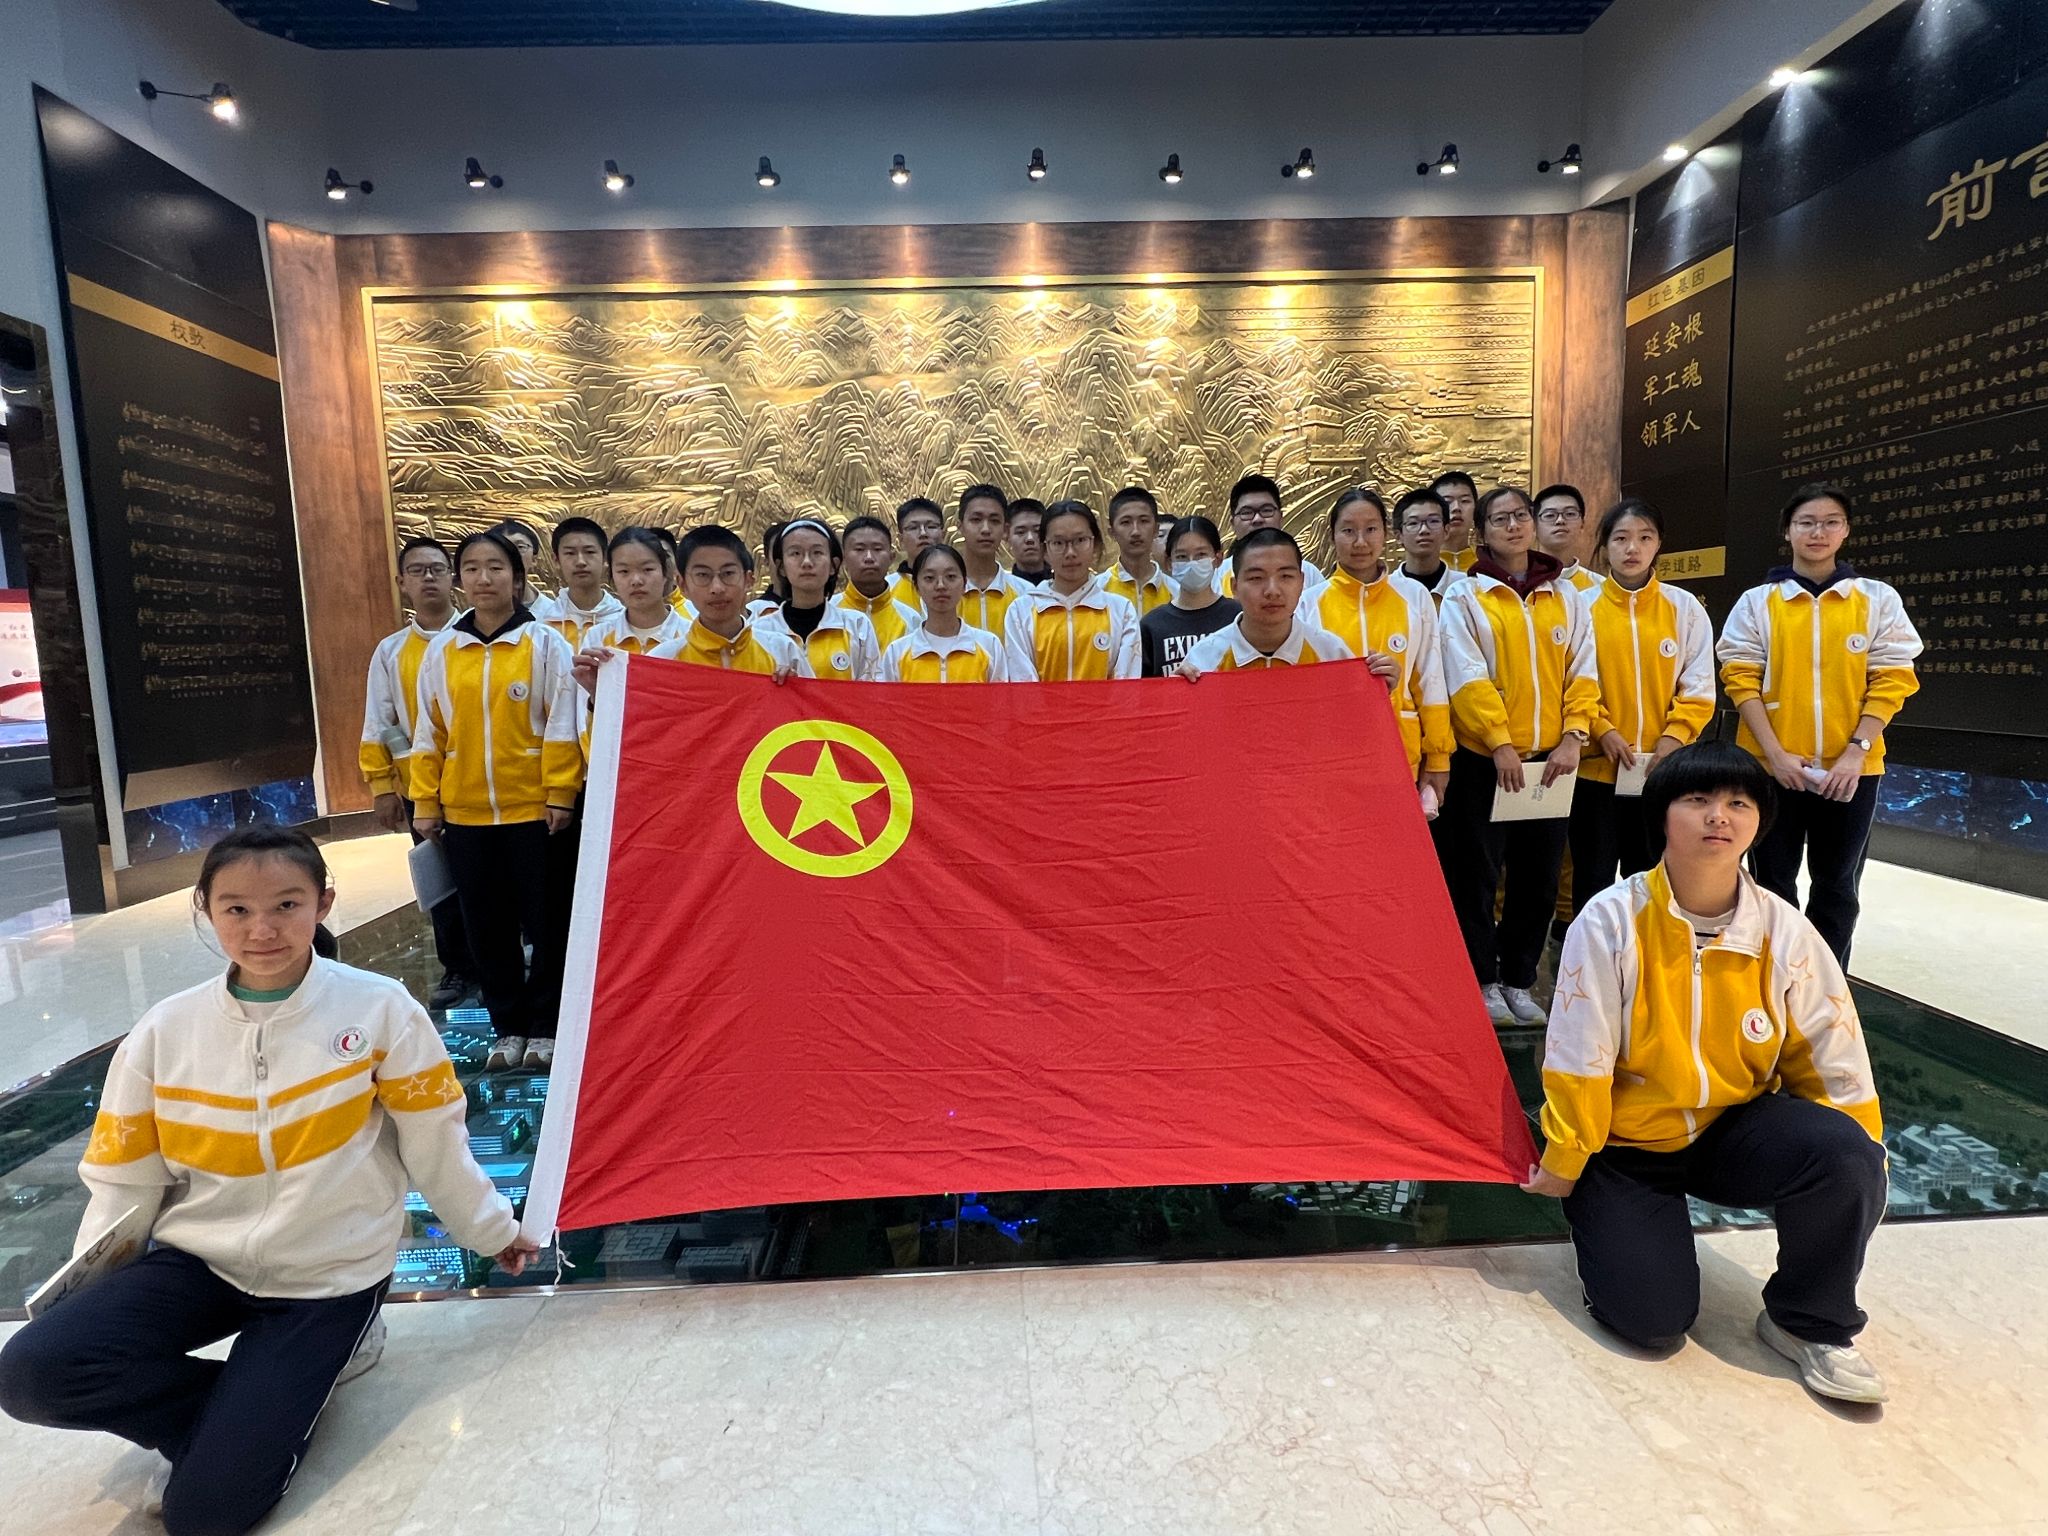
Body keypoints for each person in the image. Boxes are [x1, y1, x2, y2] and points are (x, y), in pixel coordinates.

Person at [0, 828, 542, 1535]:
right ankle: (237, 1415)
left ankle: (278, 1400)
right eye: (237, 909)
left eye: (287, 905)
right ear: (205, 909)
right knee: (32, 1372)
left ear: (323, 903)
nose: (262, 930)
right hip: (200, 1263)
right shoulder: (166, 1030)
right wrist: (86, 1297)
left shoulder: (381, 1011)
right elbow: (122, 1179)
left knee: (205, 1516)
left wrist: (491, 1230)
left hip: (328, 1279)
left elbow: (435, 1144)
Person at [1520, 742, 1888, 1403]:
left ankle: (1808, 1322)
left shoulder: (1785, 931)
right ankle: (1611, 1226)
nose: (1719, 816)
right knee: (1651, 1322)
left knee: (1844, 1150)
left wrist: (1861, 1163)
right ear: (1662, 815)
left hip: (1732, 1130)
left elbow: (1833, 1058)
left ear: (1758, 823)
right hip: (1628, 1146)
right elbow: (1580, 1055)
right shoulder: (1610, 921)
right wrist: (1567, 1158)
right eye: (1697, 800)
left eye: (1738, 803)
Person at [1717, 482, 1921, 967]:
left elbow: (1893, 677)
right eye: (1806, 522)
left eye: (1831, 522)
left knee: (1837, 885)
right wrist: (1774, 756)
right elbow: (1740, 679)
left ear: (1845, 531)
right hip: (1773, 769)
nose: (1818, 532)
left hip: (1852, 770)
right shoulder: (1758, 602)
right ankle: (1774, 980)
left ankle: (1827, 988)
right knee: (1771, 881)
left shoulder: (1876, 599)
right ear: (1787, 531)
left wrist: (1856, 751)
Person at [410, 529, 584, 1072]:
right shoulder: (443, 650)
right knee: (486, 926)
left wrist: (560, 793)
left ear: (517, 576)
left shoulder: (546, 645)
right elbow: (429, 732)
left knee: (548, 923)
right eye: (472, 569)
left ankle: (547, 1025)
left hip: (535, 811)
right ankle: (507, 1026)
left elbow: (563, 723)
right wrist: (426, 802)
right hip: (465, 814)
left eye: (496, 568)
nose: (483, 579)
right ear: (459, 579)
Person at [1438, 485, 1599, 1026]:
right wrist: (1500, 743)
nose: (1513, 525)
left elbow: (1583, 670)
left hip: (1551, 761)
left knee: (1539, 876)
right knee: (1478, 875)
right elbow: (1466, 677)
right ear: (1482, 531)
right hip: (1484, 762)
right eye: (1500, 518)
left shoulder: (1566, 598)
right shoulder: (1466, 597)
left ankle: (1519, 980)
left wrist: (1574, 736)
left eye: (1521, 516)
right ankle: (1483, 981)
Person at [1568, 498, 1715, 916]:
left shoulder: (1684, 608)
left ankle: (1651, 949)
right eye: (1621, 538)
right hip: (1597, 771)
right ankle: (1593, 953)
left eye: (1644, 538)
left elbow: (1699, 684)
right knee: (1592, 877)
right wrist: (1603, 730)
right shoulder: (1581, 607)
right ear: (1604, 546)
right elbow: (1571, 680)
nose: (1632, 548)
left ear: (1658, 544)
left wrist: (1674, 738)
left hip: (1662, 772)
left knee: (1654, 874)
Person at [359, 536, 473, 1011]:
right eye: (417, 571)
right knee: (440, 882)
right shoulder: (391, 652)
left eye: (437, 569)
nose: (429, 578)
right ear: (402, 582)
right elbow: (380, 722)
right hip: (421, 789)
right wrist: (383, 786)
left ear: (453, 579)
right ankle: (457, 966)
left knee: (490, 880)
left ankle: (502, 960)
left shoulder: (477, 639)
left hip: (481, 784)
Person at [1301, 488, 1452, 809]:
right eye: (1348, 531)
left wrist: (1439, 757)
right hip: (1332, 760)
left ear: (1386, 533)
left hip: (1401, 754)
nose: (1360, 542)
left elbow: (1431, 679)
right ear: (1332, 536)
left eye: (1370, 529)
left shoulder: (1414, 596)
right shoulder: (1308, 604)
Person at [1179, 528, 1362, 675]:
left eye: (1285, 576)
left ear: (1301, 582)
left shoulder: (1332, 654)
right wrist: (1176, 692)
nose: (1272, 591)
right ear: (1235, 587)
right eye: (1256, 578)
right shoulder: (1204, 660)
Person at [1002, 500, 1141, 681]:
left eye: (1080, 540)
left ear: (1096, 545)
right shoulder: (1021, 612)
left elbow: (1126, 684)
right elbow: (1024, 684)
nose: (1070, 553)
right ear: (1045, 550)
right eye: (1058, 543)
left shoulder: (1121, 611)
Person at [754, 518, 884, 680]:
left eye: (817, 553)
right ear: (781, 567)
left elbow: (871, 691)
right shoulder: (760, 630)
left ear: (833, 565)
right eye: (795, 553)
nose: (807, 562)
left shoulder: (857, 626)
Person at [879, 544, 1010, 682]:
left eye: (951, 577)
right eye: (930, 578)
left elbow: (1000, 696)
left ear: (964, 583)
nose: (941, 585)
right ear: (916, 586)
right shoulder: (897, 653)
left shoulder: (989, 646)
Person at [1140, 515, 1241, 676]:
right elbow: (1141, 687)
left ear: (1218, 558)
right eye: (1182, 557)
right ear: (1169, 562)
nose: (1192, 563)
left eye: (1201, 555)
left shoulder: (1239, 616)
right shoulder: (1151, 626)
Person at [583, 526, 690, 655]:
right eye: (624, 571)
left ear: (665, 573)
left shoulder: (690, 636)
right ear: (612, 577)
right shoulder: (597, 638)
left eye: (647, 569)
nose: (636, 580)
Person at [1217, 474, 1323, 596]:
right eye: (1247, 513)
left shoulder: (1310, 574)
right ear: (1233, 524)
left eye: (1266, 511)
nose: (1257, 519)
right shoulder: (1216, 576)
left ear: (1280, 518)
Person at [835, 514, 922, 650]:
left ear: (892, 557)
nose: (869, 558)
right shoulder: (829, 613)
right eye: (859, 549)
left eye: (877, 549)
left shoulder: (911, 620)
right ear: (844, 558)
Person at [532, 517, 623, 644]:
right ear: (556, 560)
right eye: (570, 553)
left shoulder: (622, 620)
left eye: (589, 552)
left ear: (605, 558)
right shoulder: (542, 623)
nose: (580, 561)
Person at [956, 484, 1030, 635]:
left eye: (994, 521)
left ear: (1005, 529)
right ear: (960, 527)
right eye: (976, 520)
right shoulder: (943, 592)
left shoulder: (1025, 593)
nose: (986, 529)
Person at [1101, 485, 1173, 616]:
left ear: (1156, 530)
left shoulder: (1175, 592)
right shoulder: (1099, 589)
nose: (1136, 531)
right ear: (1112, 533)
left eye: (1144, 521)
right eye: (1126, 522)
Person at [1393, 488, 1461, 606]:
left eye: (1433, 521)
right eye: (1413, 523)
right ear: (1399, 536)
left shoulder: (1465, 587)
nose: (1424, 530)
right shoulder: (1388, 588)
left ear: (1446, 531)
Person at [1534, 484, 1601, 595]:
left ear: (1582, 524)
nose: (1560, 521)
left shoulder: (1599, 587)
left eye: (1570, 514)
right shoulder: (1520, 583)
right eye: (1550, 515)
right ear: (1534, 526)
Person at [890, 497, 946, 613]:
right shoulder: (888, 588)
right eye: (913, 528)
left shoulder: (959, 585)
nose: (923, 533)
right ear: (900, 539)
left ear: (943, 534)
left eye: (931, 527)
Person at [1430, 472, 1479, 572]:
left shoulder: (1488, 565)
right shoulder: (1421, 566)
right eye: (1447, 502)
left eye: (1465, 501)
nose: (1456, 508)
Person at [495, 521, 548, 609]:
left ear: (534, 559)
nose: (511, 553)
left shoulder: (557, 613)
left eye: (520, 547)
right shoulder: (473, 615)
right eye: (502, 547)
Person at [1005, 496, 1052, 584]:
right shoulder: (1002, 588)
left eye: (1037, 531)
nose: (1030, 539)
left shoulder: (1064, 587)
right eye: (1021, 532)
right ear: (1007, 535)